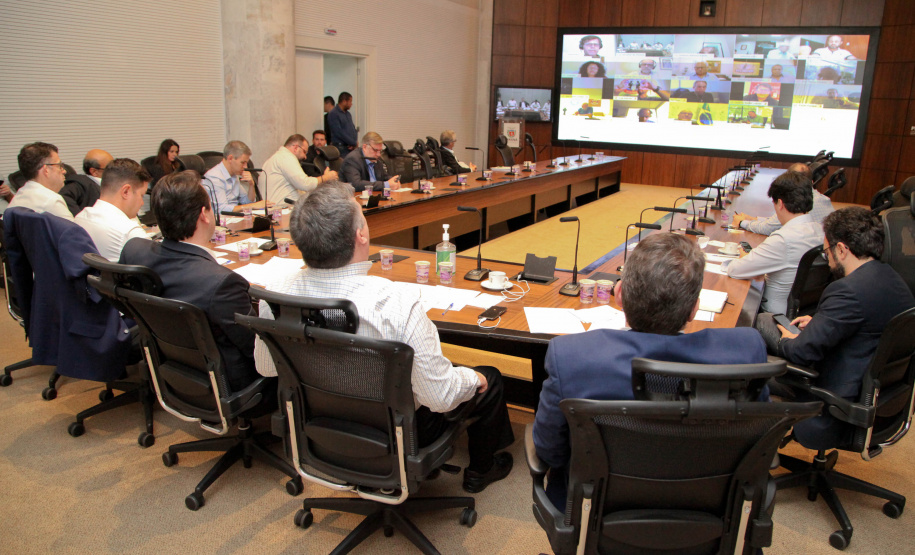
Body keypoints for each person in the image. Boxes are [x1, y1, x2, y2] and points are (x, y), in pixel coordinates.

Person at [253, 182, 515, 493]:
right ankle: (480, 471)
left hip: (319, 425)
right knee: (489, 378)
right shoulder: (395, 303)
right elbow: (439, 398)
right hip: (398, 433)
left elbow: (266, 367)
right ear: (360, 235)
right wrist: (473, 379)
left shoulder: (276, 295)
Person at [532, 233, 768, 508]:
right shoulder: (746, 351)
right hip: (710, 506)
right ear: (694, 308)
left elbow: (550, 450)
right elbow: (756, 439)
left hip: (594, 508)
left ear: (619, 295)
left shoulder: (572, 356)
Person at [762, 207, 915, 449]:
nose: (829, 260)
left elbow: (801, 352)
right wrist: (821, 322)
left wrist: (787, 340)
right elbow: (866, 325)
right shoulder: (895, 281)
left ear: (841, 249)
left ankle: (757, 449)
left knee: (760, 332)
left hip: (834, 405)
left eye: (827, 253)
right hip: (882, 405)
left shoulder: (847, 290)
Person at [119, 171, 259, 392]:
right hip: (227, 384)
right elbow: (256, 349)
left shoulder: (134, 250)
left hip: (170, 369)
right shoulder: (222, 284)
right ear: (204, 215)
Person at [724, 171, 826, 315]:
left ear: (780, 204)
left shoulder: (783, 239)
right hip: (806, 313)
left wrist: (745, 258)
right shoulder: (821, 231)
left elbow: (735, 270)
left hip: (771, 315)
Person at [75, 158, 149, 261]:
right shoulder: (130, 233)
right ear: (126, 191)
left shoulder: (79, 218)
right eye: (141, 195)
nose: (142, 203)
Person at [733, 163, 834, 235]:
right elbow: (775, 222)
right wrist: (753, 219)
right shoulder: (822, 198)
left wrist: (742, 223)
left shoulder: (799, 200)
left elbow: (768, 228)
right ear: (812, 182)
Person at [262, 134, 338, 204]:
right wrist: (325, 178)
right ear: (296, 148)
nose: (305, 157)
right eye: (304, 152)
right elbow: (304, 184)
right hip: (281, 208)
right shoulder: (286, 157)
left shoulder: (278, 157)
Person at [9, 142, 75, 221]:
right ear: (46, 170)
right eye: (59, 166)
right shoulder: (51, 201)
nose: (64, 171)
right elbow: (74, 229)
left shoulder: (18, 196)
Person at [203, 140, 266, 212]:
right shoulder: (214, 177)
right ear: (230, 158)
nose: (245, 167)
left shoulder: (234, 175)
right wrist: (252, 206)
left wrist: (251, 184)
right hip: (222, 218)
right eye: (243, 162)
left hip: (234, 217)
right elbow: (222, 209)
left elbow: (247, 202)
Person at [60, 149, 114, 216]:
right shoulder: (80, 184)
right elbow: (63, 197)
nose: (114, 171)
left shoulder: (112, 182)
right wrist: (79, 217)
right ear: (94, 171)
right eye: (110, 168)